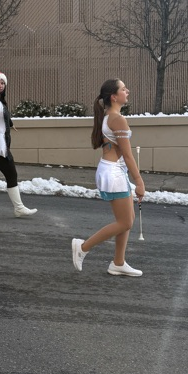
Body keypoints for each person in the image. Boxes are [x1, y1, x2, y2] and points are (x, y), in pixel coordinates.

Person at [72, 79, 145, 277]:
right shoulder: (117, 119)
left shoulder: (109, 116)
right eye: (123, 89)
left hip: (114, 170)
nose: (127, 91)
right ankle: (83, 247)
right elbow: (128, 155)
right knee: (125, 222)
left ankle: (118, 263)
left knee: (127, 219)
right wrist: (139, 182)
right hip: (113, 172)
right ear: (114, 96)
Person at [0, 71, 37, 218]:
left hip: (0, 143)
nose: (0, 86)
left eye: (2, 83)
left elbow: (1, 117)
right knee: (12, 174)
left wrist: (10, 123)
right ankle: (19, 208)